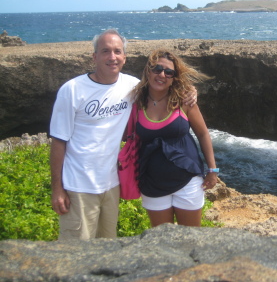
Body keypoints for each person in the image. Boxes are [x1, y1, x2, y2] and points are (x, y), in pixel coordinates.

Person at [49, 29, 197, 240]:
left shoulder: (132, 86)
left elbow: (163, 84)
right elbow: (58, 141)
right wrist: (57, 189)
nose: (112, 57)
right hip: (78, 186)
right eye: (105, 51)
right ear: (95, 56)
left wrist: (191, 90)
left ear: (124, 57)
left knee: (107, 247)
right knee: (76, 252)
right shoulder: (72, 90)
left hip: (111, 185)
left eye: (117, 51)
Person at [131, 49, 218, 227]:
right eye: (157, 69)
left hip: (187, 181)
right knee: (163, 243)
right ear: (148, 71)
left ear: (173, 77)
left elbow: (202, 133)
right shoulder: (136, 100)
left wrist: (212, 169)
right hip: (152, 183)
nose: (162, 74)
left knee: (190, 239)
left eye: (168, 72)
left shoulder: (184, 100)